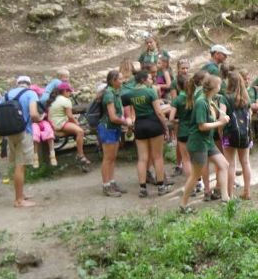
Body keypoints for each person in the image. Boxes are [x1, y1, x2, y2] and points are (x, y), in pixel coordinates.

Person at [0, 75, 41, 208]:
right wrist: (40, 119)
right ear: (29, 84)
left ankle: (20, 194)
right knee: (20, 166)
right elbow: (34, 114)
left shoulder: (7, 95)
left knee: (18, 164)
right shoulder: (31, 93)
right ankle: (19, 200)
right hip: (24, 132)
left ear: (17, 84)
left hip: (9, 134)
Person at [180, 74, 231, 209]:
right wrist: (219, 122)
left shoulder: (209, 99)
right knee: (195, 175)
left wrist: (222, 115)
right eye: (219, 84)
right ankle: (183, 205)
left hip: (208, 142)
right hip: (198, 143)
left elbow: (217, 110)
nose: (221, 86)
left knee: (224, 165)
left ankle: (226, 199)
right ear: (214, 87)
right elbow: (201, 126)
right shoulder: (201, 102)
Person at [124, 69, 170, 197]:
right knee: (157, 156)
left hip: (139, 125)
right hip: (154, 124)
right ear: (143, 80)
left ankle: (143, 188)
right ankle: (161, 186)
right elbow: (159, 112)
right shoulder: (150, 91)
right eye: (150, 78)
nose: (152, 81)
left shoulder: (130, 94)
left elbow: (122, 102)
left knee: (142, 158)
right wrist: (165, 126)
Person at [98, 70, 132, 198]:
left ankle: (112, 182)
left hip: (115, 128)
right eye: (120, 79)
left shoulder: (116, 92)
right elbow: (112, 117)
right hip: (108, 128)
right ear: (113, 81)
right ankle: (106, 185)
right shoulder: (109, 95)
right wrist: (127, 123)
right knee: (108, 158)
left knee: (112, 157)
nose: (122, 81)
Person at [222, 71, 253, 200]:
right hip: (245, 134)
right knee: (245, 162)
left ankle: (230, 194)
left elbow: (222, 116)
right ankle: (247, 192)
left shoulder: (225, 97)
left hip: (229, 134)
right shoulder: (246, 98)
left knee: (230, 164)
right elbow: (249, 116)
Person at [47, 82, 91, 170]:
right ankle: (80, 155)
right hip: (60, 123)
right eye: (68, 91)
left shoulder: (54, 99)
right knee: (80, 131)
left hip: (53, 124)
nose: (70, 93)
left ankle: (80, 153)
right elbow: (70, 116)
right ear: (64, 91)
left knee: (77, 129)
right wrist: (77, 124)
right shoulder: (66, 101)